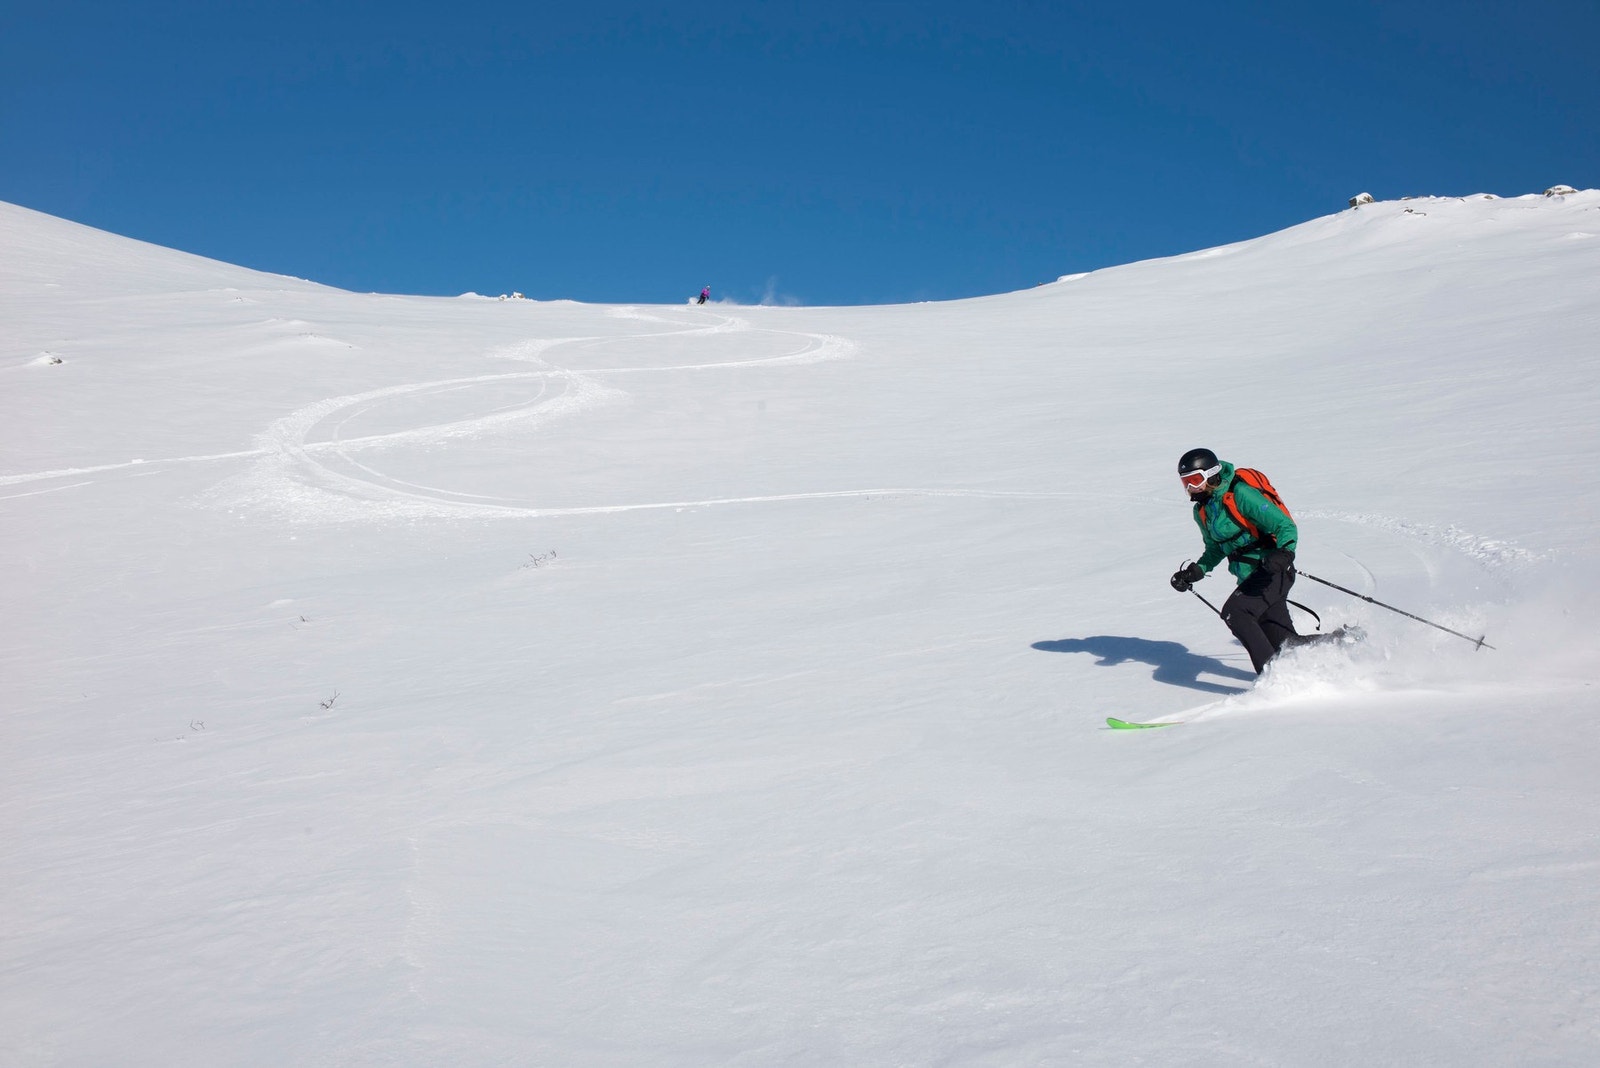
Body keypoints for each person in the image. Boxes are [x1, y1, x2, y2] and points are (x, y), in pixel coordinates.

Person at [1168, 448, 1301, 673]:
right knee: (1286, 644)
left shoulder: (1241, 494)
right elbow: (1215, 548)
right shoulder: (1202, 511)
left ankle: (1274, 679)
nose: (1190, 487)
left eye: (1195, 480)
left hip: (1273, 571)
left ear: (1210, 474)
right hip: (1249, 578)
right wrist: (1195, 571)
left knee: (1235, 613)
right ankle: (1345, 641)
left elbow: (1285, 526)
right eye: (1185, 482)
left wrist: (1285, 553)